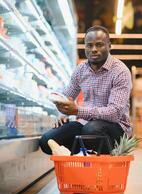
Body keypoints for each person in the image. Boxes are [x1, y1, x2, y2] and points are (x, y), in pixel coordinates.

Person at [39, 25, 132, 154]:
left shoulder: (120, 71)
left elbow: (114, 113)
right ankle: (75, 164)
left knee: (91, 130)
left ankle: (102, 162)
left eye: (99, 45)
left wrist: (77, 110)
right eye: (89, 45)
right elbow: (68, 95)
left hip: (116, 128)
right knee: (47, 141)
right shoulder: (81, 69)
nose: (94, 49)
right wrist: (63, 112)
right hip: (86, 124)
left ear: (109, 46)